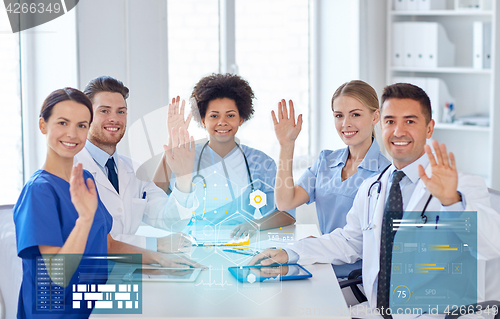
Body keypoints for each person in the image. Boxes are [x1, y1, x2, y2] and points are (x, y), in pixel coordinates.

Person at [250, 83, 500, 317]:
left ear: (429, 128)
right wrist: (289, 252)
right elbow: (348, 242)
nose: (398, 131)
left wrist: (452, 202)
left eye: (410, 121)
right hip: (377, 311)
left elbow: (490, 246)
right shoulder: (373, 187)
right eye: (391, 121)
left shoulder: (463, 185)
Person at [14, 88, 202, 319]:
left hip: (92, 305)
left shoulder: (85, 180)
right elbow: (57, 274)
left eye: (81, 125)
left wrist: (162, 261)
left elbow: (107, 244)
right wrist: (84, 219)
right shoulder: (39, 191)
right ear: (43, 125)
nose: (72, 133)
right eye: (63, 123)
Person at [273, 80, 390, 277]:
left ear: (375, 116)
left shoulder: (385, 174)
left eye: (356, 114)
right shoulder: (326, 161)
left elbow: (364, 243)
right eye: (339, 115)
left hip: (354, 279)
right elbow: (285, 201)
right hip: (319, 262)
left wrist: (315, 245)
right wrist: (287, 145)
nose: (346, 124)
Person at [159, 73, 296, 240]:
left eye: (230, 115)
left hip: (242, 246)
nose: (222, 122)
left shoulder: (260, 162)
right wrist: (172, 142)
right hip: (191, 245)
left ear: (241, 119)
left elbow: (287, 214)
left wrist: (255, 224)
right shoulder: (187, 155)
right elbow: (155, 194)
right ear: (202, 120)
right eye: (214, 116)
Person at [75, 76, 195, 253]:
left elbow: (171, 221)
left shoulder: (135, 170)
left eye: (121, 112)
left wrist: (184, 177)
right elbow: (88, 238)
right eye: (105, 111)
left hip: (129, 270)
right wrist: (155, 244)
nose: (114, 119)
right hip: (87, 274)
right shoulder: (71, 168)